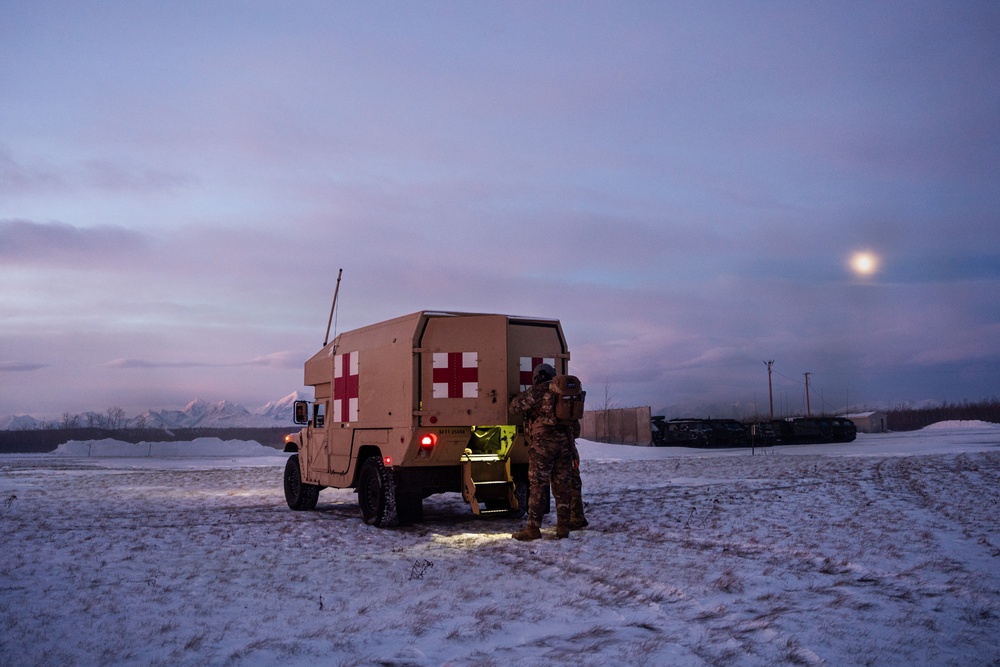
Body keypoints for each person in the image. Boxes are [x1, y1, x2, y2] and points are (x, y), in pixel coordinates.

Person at [508, 363, 576, 540]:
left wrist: (518, 397)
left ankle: (533, 528)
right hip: (565, 444)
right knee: (563, 487)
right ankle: (563, 528)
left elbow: (514, 407)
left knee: (538, 486)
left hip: (543, 445)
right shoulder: (562, 392)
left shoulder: (537, 391)